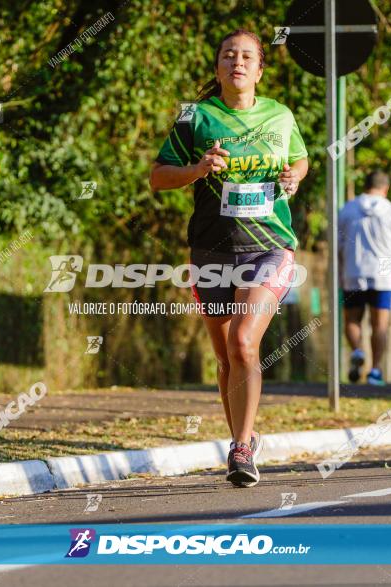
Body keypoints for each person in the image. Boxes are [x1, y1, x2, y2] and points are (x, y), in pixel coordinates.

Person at [150, 30, 309, 487]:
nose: (236, 62)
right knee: (223, 357)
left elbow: (299, 160)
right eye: (227, 55)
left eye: (246, 57)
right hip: (211, 249)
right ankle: (246, 436)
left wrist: (293, 177)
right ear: (217, 66)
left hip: (269, 245)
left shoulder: (280, 115)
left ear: (260, 69)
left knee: (243, 342)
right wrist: (197, 170)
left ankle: (240, 448)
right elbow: (158, 177)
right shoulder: (195, 116)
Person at [338, 170, 391, 386]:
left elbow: (336, 245)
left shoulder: (347, 210)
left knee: (352, 320)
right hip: (383, 275)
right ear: (386, 189)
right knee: (380, 325)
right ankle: (375, 371)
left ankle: (357, 350)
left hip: (353, 272)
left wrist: (338, 273)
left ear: (364, 186)